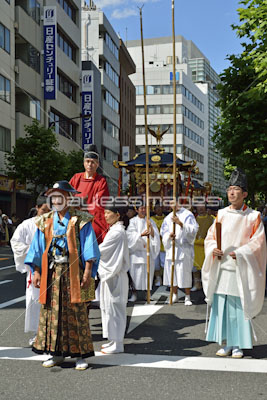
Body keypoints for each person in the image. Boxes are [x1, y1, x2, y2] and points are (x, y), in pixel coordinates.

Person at [25, 181, 100, 370]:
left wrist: (88, 272)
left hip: (75, 271)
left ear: (69, 198)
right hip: (52, 272)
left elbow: (90, 246)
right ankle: (55, 352)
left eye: (60, 196)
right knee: (52, 312)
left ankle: (80, 355)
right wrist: (35, 271)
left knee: (76, 312)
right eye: (54, 197)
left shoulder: (81, 219)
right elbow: (37, 247)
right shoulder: (45, 220)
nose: (57, 200)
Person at [202, 168, 267, 358]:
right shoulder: (221, 214)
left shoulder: (253, 216)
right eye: (230, 188)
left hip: (241, 267)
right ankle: (227, 342)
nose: (231, 192)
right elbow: (210, 237)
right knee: (221, 305)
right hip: (222, 266)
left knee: (238, 306)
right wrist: (213, 248)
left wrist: (241, 252)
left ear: (244, 194)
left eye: (236, 189)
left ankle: (239, 344)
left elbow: (259, 242)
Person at [10, 192, 50, 345]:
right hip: (34, 270)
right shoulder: (26, 225)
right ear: (36, 208)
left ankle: (51, 333)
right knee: (34, 300)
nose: (46, 214)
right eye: (43, 210)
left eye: (49, 211)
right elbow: (16, 243)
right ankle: (37, 333)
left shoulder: (55, 223)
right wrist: (33, 251)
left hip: (52, 267)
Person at [98, 202, 130, 354]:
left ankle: (118, 343)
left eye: (108, 213)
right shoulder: (114, 230)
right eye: (104, 213)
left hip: (115, 274)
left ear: (118, 215)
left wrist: (89, 251)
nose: (105, 216)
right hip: (111, 274)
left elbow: (103, 251)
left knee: (115, 308)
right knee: (108, 307)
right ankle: (112, 339)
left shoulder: (117, 232)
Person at [160, 200, 199, 305]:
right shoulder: (168, 217)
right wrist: (169, 236)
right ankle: (174, 294)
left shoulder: (187, 215)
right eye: (171, 203)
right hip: (172, 248)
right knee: (172, 273)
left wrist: (181, 224)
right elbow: (163, 232)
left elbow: (194, 229)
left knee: (185, 272)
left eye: (175, 202)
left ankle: (187, 296)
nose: (173, 205)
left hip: (183, 248)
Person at [69, 144, 109, 244]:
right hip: (74, 215)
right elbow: (68, 196)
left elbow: (99, 203)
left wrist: (84, 207)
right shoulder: (76, 178)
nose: (90, 165)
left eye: (93, 162)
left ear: (97, 164)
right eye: (87, 161)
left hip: (92, 217)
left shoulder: (101, 181)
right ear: (84, 163)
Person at [127, 202, 160, 302]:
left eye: (145, 208)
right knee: (135, 275)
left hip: (147, 252)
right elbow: (130, 235)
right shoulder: (132, 221)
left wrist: (151, 230)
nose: (143, 210)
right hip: (136, 252)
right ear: (137, 210)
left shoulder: (150, 221)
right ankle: (134, 294)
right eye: (141, 208)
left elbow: (156, 236)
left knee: (148, 274)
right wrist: (141, 235)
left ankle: (148, 294)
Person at [191, 204, 214, 291]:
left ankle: (208, 286)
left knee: (207, 267)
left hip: (207, 246)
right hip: (196, 246)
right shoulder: (193, 219)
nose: (200, 208)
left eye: (202, 206)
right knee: (195, 267)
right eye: (198, 207)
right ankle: (197, 284)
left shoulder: (211, 219)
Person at [151, 204, 166, 287]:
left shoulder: (166, 219)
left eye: (160, 208)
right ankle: (158, 278)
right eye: (157, 208)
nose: (159, 209)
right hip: (155, 244)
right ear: (154, 210)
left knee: (164, 262)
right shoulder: (152, 219)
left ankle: (165, 278)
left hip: (164, 245)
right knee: (156, 263)